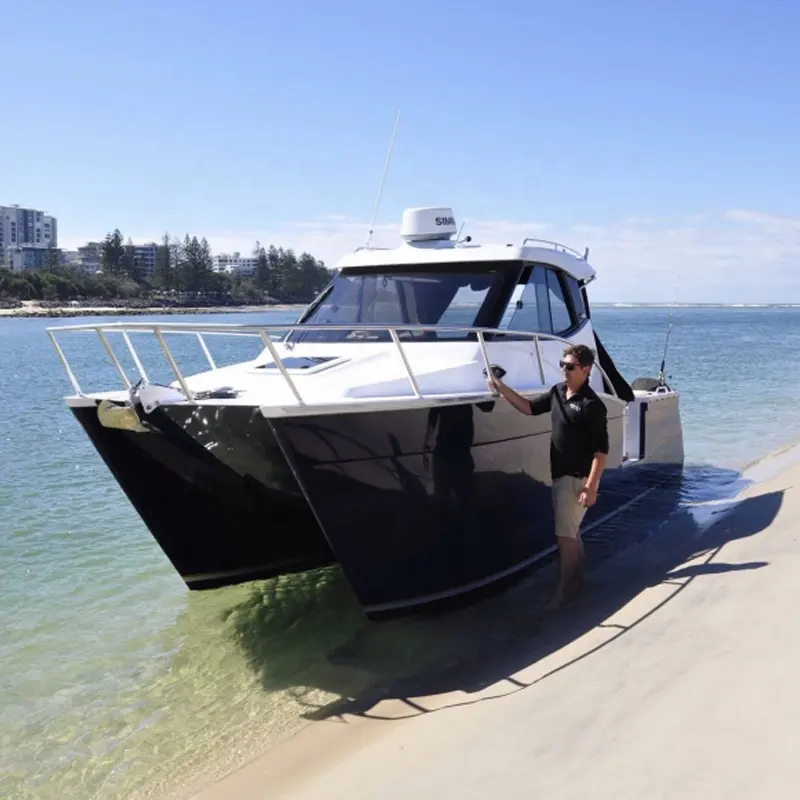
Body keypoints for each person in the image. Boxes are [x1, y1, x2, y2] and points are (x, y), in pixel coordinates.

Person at [486, 343, 609, 609]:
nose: (564, 370)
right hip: (560, 475)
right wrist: (501, 388)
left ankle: (564, 593)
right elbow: (529, 408)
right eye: (563, 365)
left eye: (570, 366)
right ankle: (578, 582)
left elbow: (601, 452)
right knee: (572, 534)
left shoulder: (592, 405)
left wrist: (590, 486)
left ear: (585, 370)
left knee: (565, 538)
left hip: (575, 480)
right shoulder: (556, 392)